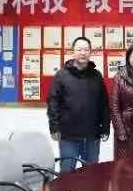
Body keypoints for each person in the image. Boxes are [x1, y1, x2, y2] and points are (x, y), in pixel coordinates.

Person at [47, 36, 110, 171]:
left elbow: (103, 103)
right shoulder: (62, 75)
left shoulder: (96, 75)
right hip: (69, 135)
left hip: (92, 135)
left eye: (86, 50)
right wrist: (54, 127)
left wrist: (105, 127)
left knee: (92, 174)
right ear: (73, 52)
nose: (83, 53)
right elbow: (53, 102)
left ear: (90, 52)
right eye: (79, 49)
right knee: (67, 174)